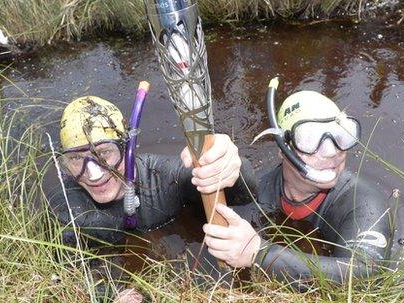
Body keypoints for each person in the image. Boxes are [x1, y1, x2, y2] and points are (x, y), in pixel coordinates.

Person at [202, 88, 392, 286]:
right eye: (309, 139)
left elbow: (366, 273)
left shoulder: (363, 201)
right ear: (283, 150)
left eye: (341, 135)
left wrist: (259, 253)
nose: (331, 152)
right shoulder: (261, 185)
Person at [42, 95, 255, 246]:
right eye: (77, 158)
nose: (93, 174)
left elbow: (245, 193)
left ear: (128, 149)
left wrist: (228, 166)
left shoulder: (162, 178)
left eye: (104, 153)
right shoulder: (66, 202)